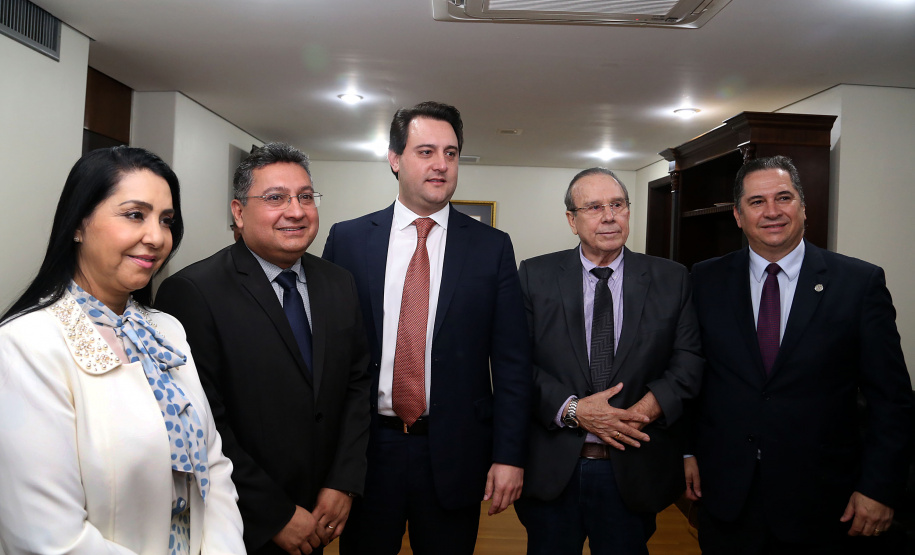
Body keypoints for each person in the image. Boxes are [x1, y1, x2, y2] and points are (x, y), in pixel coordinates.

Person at [0, 146, 245, 555]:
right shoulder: (29, 344)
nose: (156, 237)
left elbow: (212, 467)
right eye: (135, 215)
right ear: (78, 224)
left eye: (166, 220)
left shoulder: (165, 330)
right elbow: (47, 537)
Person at [322, 101, 532, 555]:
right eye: (426, 151)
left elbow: (514, 363)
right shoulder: (348, 240)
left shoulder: (491, 248)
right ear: (395, 159)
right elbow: (328, 357)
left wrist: (509, 455)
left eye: (451, 153)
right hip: (367, 451)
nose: (441, 164)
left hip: (456, 450)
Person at [686, 155, 914, 554]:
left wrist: (879, 488)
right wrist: (687, 449)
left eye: (784, 198)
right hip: (727, 495)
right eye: (756, 202)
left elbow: (891, 400)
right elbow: (692, 373)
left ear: (803, 207)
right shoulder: (703, 280)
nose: (772, 212)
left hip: (823, 502)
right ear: (739, 216)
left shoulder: (859, 284)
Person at [155, 143, 371, 554]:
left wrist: (342, 481)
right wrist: (273, 513)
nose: (296, 211)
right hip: (240, 521)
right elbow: (202, 421)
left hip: (323, 509)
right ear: (238, 212)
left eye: (305, 197)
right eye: (275, 198)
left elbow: (358, 384)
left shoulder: (337, 282)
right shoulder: (193, 293)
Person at [513, 167, 704, 554]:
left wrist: (641, 413)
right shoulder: (535, 275)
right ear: (572, 219)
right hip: (553, 470)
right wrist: (573, 410)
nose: (609, 216)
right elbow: (515, 365)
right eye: (595, 207)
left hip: (633, 470)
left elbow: (688, 361)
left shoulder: (672, 278)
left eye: (618, 204)